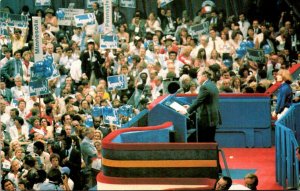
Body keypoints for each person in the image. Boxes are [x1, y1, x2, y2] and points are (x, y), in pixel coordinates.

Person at [179, 69, 221, 142]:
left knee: (203, 141)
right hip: (212, 118)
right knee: (210, 140)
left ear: (204, 76)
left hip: (206, 119)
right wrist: (190, 106)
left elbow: (199, 101)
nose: (197, 77)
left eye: (198, 75)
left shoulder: (204, 87)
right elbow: (204, 101)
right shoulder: (212, 85)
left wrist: (187, 111)